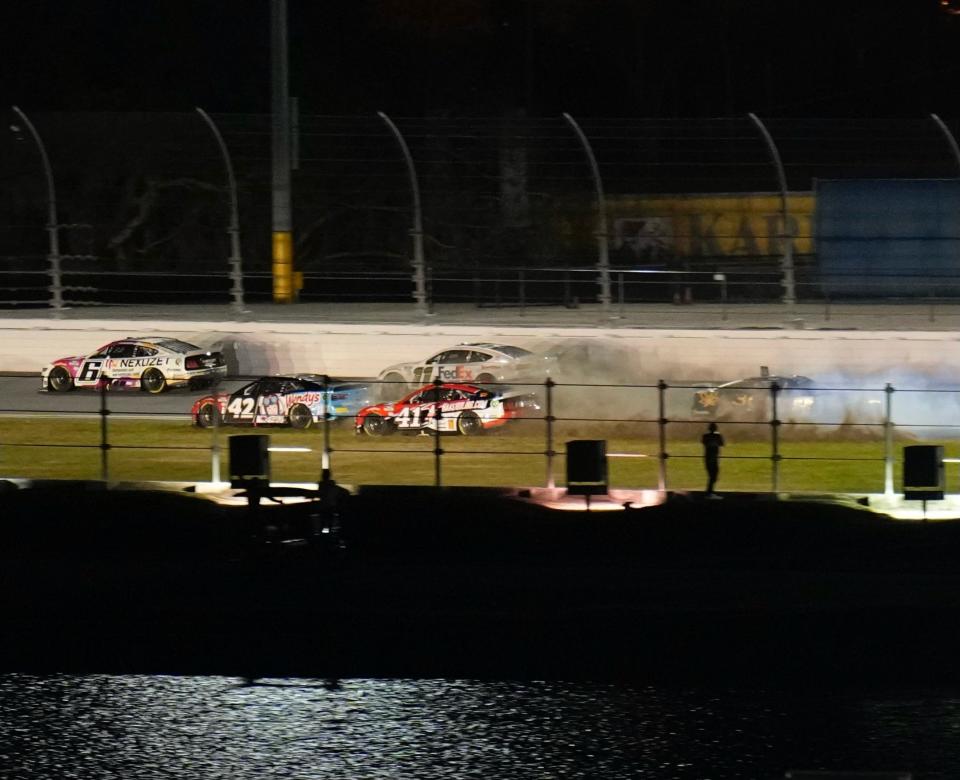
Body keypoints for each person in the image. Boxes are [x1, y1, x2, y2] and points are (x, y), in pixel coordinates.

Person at [701, 422, 725, 497]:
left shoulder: (706, 436)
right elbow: (722, 444)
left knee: (712, 475)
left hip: (708, 457)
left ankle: (709, 492)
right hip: (713, 457)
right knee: (713, 475)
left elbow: (704, 443)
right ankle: (709, 492)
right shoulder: (718, 436)